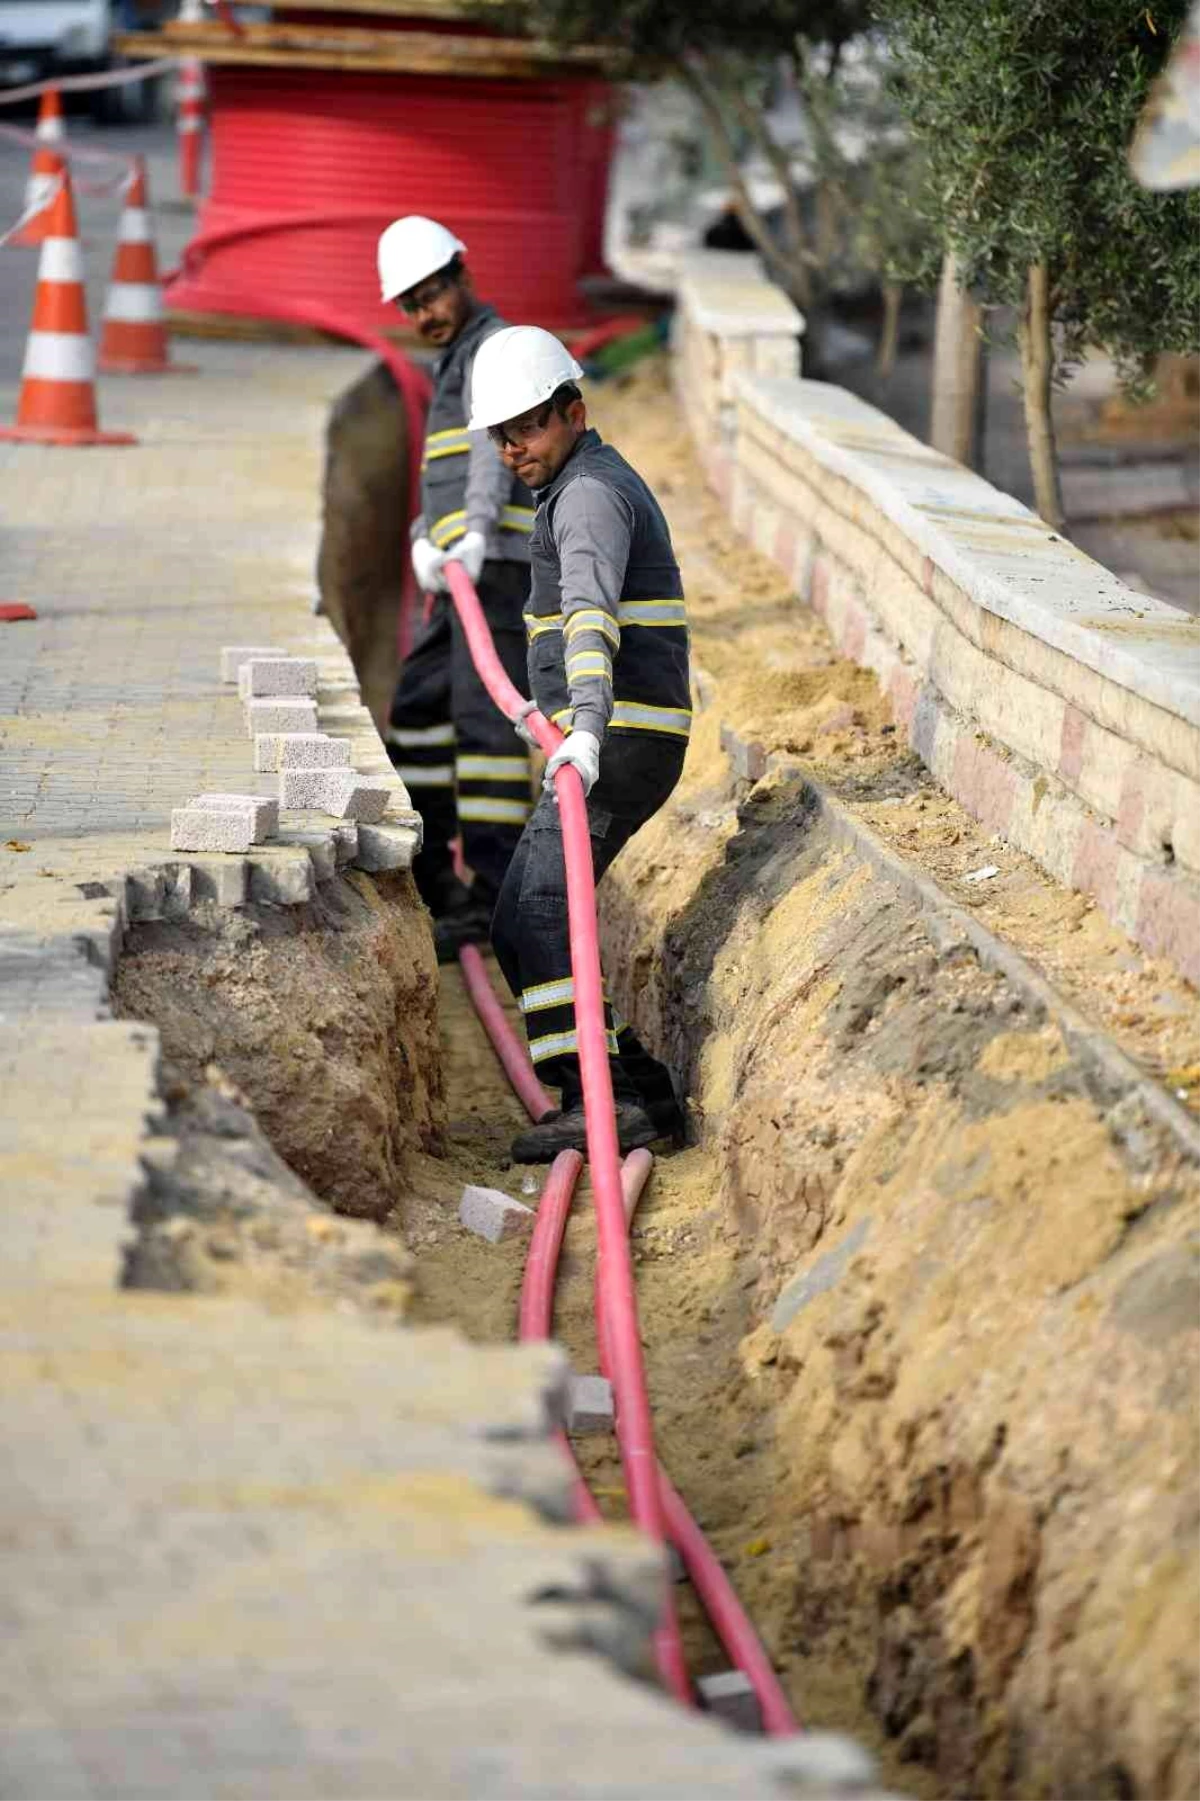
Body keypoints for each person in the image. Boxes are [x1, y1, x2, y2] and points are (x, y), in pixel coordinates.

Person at [467, 325, 690, 1163]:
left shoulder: (590, 495)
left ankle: (604, 1101)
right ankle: (637, 1088)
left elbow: (591, 618)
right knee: (518, 916)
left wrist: (586, 725)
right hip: (614, 733)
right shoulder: (569, 488)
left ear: (573, 412)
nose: (512, 446)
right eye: (502, 433)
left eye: (527, 426)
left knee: (538, 912)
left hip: (623, 736)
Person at [377, 215, 535, 959]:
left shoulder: (492, 350)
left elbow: (482, 456)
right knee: (415, 710)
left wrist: (472, 532)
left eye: (432, 294)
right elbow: (436, 475)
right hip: (459, 573)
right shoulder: (451, 360)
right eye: (408, 305)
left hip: (496, 570)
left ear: (462, 274)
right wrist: (420, 538)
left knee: (485, 733)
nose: (423, 315)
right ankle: (439, 882)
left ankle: (500, 900)